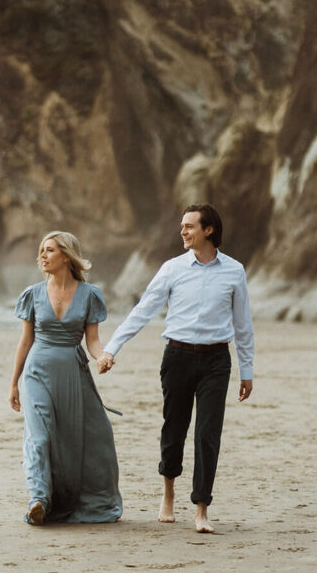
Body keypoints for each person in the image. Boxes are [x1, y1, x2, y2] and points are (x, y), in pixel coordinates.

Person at [97, 204, 253, 534]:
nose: (182, 231)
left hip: (216, 361)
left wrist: (247, 370)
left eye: (189, 226)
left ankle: (201, 509)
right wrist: (112, 348)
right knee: (174, 428)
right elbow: (143, 311)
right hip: (177, 357)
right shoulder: (172, 268)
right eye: (182, 226)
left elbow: (243, 325)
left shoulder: (234, 271)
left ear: (208, 229)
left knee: (208, 434)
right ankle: (168, 494)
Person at [9, 231, 122, 525]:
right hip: (37, 371)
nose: (42, 256)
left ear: (66, 256)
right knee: (39, 435)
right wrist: (13, 383)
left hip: (72, 371)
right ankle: (39, 499)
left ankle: (76, 499)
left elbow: (93, 341)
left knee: (91, 436)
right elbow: (25, 341)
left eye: (49, 250)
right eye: (42, 250)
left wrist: (103, 357)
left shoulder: (89, 294)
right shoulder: (32, 294)